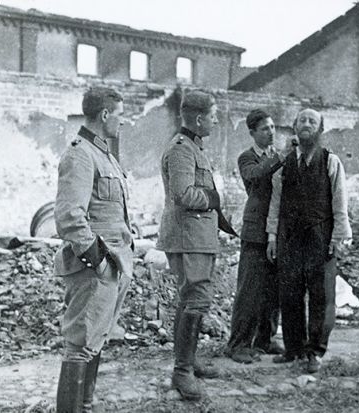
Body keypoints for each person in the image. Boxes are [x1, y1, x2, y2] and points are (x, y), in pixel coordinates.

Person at [54, 87, 132, 413]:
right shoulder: (80, 154)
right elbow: (70, 217)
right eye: (120, 114)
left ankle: (85, 407)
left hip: (114, 266)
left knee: (96, 339)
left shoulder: (106, 155)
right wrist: (99, 262)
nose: (123, 122)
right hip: (94, 268)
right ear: (104, 115)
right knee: (79, 345)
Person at [157, 90, 236, 401]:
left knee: (193, 299)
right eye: (213, 115)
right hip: (187, 237)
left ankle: (188, 362)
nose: (216, 121)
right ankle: (182, 372)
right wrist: (213, 200)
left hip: (198, 237)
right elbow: (183, 194)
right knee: (195, 300)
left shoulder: (193, 147)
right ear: (199, 118)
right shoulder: (181, 150)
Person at [266, 108, 352, 373]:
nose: (306, 124)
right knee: (290, 295)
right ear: (294, 127)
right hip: (290, 239)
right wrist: (272, 236)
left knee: (321, 297)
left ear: (319, 129)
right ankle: (294, 349)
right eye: (302, 120)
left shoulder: (330, 161)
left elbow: (340, 202)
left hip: (320, 238)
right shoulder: (285, 163)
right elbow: (276, 202)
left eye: (312, 121)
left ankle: (315, 351)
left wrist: (338, 237)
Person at [226, 109, 293, 363]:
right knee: (249, 289)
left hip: (277, 231)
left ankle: (265, 339)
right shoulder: (247, 158)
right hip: (255, 231)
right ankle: (238, 344)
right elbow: (254, 176)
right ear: (253, 133)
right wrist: (280, 159)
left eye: (273, 127)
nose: (272, 132)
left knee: (273, 289)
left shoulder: (278, 156)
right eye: (265, 128)